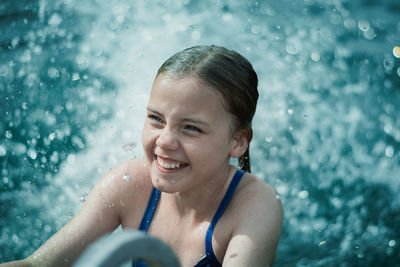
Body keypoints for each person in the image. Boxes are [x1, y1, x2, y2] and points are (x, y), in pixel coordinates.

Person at [1, 45, 283, 267]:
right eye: (156, 119)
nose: (165, 141)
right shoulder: (129, 184)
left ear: (238, 141)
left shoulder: (255, 206)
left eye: (191, 128)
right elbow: (38, 264)